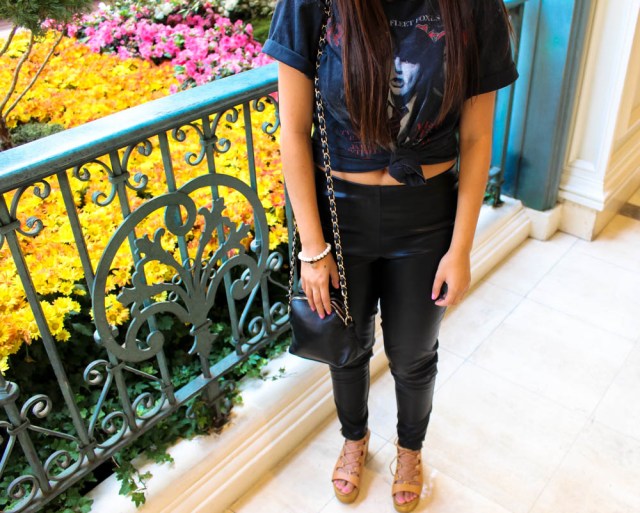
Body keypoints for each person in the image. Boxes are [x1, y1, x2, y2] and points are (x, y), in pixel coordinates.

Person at [262, 0, 518, 510]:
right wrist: (312, 248)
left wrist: (461, 248)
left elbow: (476, 136)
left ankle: (409, 449)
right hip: (340, 217)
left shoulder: (473, 6)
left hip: (427, 216)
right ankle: (354, 438)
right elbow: (292, 130)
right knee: (347, 345)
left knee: (414, 353)